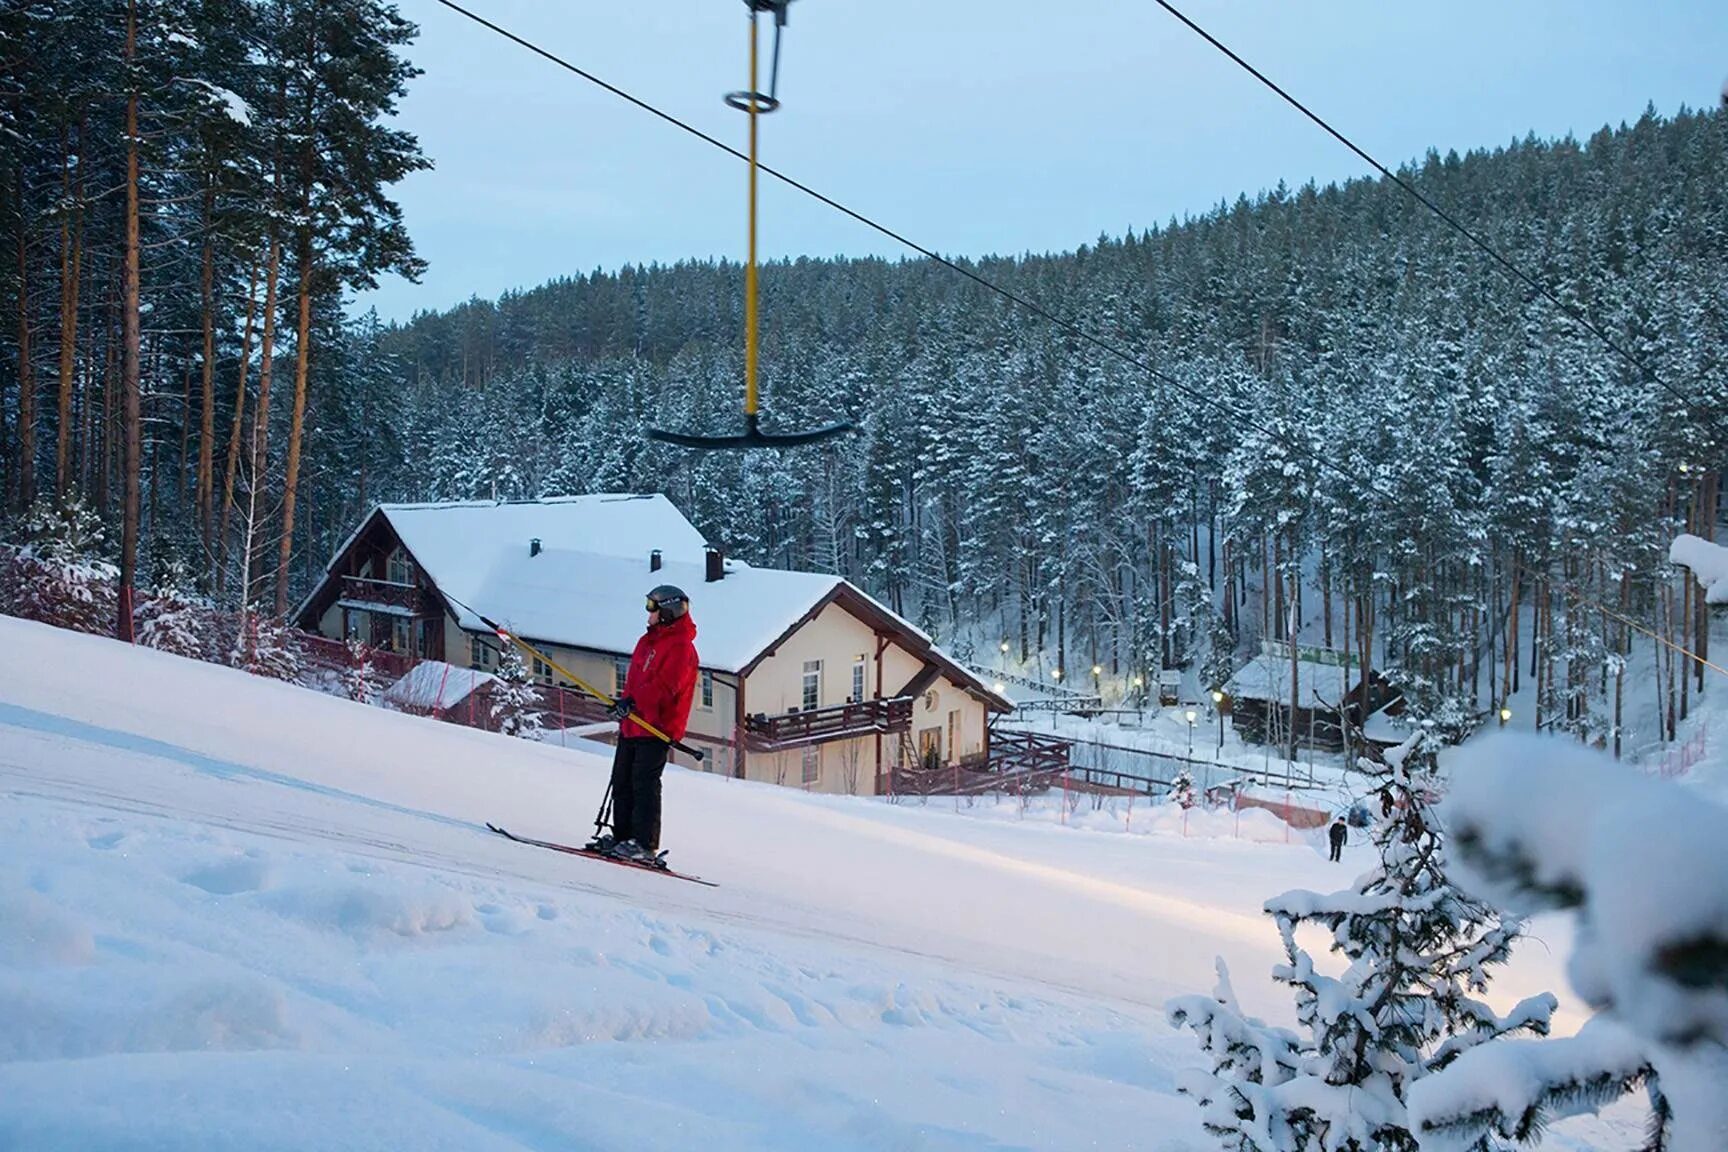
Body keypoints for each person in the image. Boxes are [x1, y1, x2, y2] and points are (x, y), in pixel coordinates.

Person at [599, 584, 699, 861]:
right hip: (633, 723)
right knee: (622, 780)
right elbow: (635, 681)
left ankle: (644, 843)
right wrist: (624, 703)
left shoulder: (681, 648)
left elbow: (665, 688)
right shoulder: (648, 641)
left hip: (656, 727)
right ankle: (622, 837)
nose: (648, 613)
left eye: (652, 607)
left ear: (668, 610)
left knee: (644, 784)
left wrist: (633, 704)